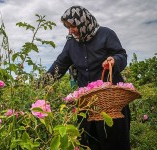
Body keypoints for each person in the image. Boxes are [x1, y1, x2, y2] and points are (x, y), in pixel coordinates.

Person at [46, 6, 130, 150]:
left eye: (73, 25)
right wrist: (43, 83)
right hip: (86, 104)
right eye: (67, 27)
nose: (70, 30)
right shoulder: (71, 43)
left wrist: (114, 60)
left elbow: (122, 55)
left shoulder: (106, 34)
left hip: (111, 101)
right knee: (88, 142)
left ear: (83, 21)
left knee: (115, 142)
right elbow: (59, 65)